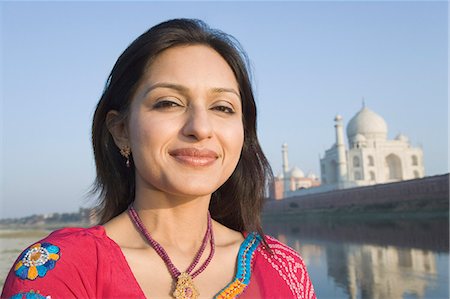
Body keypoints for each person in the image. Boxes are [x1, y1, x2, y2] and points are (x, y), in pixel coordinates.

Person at [2, 19, 316, 299]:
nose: (200, 128)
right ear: (121, 130)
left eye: (223, 107)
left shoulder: (284, 269)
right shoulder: (61, 270)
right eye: (168, 103)